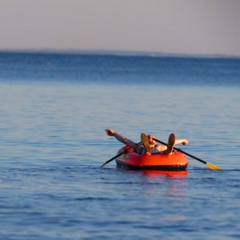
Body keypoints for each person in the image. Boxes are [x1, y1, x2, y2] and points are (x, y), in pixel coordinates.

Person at [105, 129, 188, 155]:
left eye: (152, 137)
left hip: (157, 153)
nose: (151, 137)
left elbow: (175, 142)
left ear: (155, 141)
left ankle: (169, 151)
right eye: (149, 137)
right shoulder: (138, 146)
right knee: (163, 147)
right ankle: (147, 151)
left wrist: (183, 140)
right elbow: (125, 140)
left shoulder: (158, 146)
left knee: (165, 147)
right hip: (144, 152)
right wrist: (114, 133)